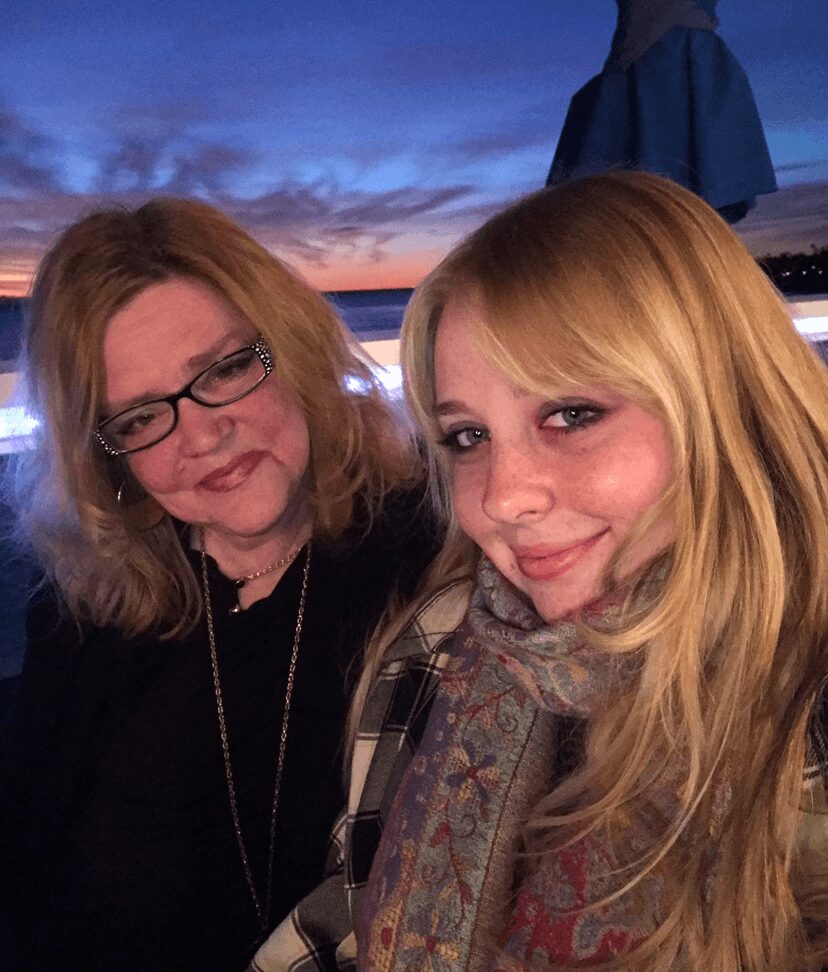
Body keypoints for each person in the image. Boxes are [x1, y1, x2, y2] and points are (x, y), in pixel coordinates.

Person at [253, 171, 828, 971]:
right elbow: (345, 915)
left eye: (572, 414)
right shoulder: (438, 649)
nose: (503, 497)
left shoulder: (807, 697)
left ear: (724, 399)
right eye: (468, 437)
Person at [0, 199, 440, 971]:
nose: (203, 436)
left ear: (293, 351)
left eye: (227, 369)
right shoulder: (85, 603)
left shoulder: (435, 563)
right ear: (110, 456)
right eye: (140, 418)